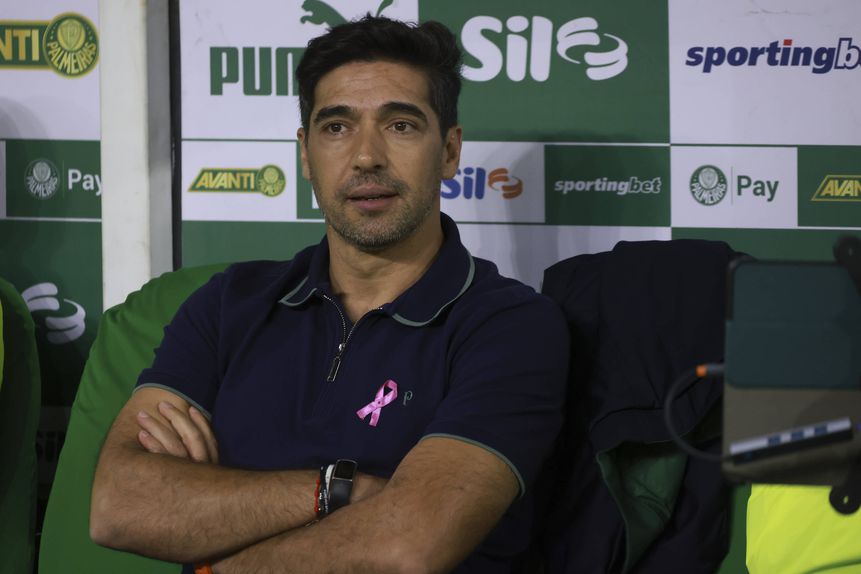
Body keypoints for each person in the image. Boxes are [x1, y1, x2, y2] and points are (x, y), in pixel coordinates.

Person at [90, 15, 569, 574]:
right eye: (337, 127)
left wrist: (221, 556)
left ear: (449, 151)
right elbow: (117, 505)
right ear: (305, 153)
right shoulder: (228, 303)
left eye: (401, 125)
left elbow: (407, 543)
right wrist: (335, 491)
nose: (366, 157)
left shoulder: (511, 326)